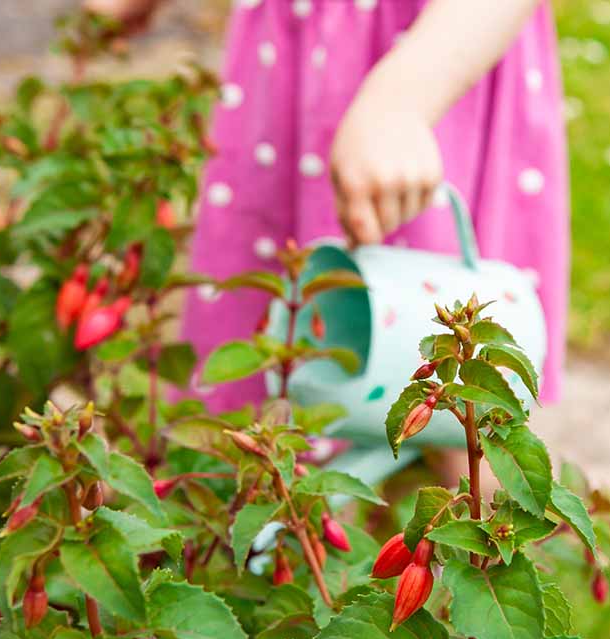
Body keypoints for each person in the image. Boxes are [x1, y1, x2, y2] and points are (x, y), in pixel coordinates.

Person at [88, 0, 570, 425]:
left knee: (452, 381)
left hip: (438, 68)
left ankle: (487, 516)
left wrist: (399, 103)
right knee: (259, 369)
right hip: (291, 73)